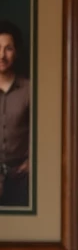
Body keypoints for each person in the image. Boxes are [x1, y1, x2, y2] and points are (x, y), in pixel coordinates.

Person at [0, 21, 32, 209]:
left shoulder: (30, 89)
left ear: (16, 52)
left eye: (8, 48)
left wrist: (32, 162)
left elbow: (43, 130)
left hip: (21, 177)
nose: (2, 55)